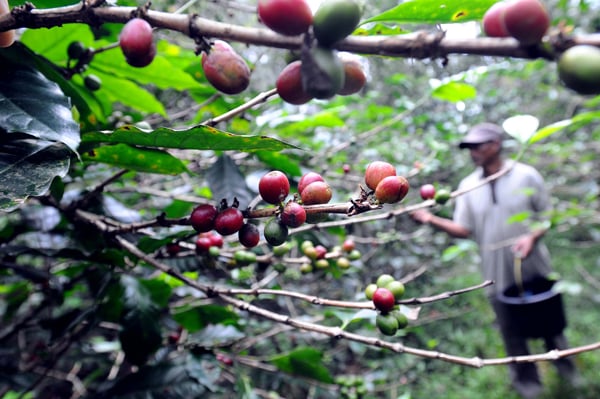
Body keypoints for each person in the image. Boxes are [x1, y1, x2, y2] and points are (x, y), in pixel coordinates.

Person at [411, 122, 579, 399]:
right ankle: (529, 388)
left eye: (478, 146)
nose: (472, 152)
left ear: (496, 144)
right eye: (469, 148)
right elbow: (463, 229)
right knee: (512, 333)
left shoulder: (526, 175)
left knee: (551, 324)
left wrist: (532, 238)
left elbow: (547, 216)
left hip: (536, 266)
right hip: (496, 273)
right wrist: (431, 220)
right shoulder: (467, 187)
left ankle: (568, 376)